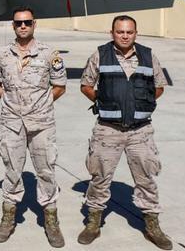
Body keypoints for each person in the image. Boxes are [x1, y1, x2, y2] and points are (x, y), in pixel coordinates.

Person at [76, 15, 172, 250]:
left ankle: (152, 226)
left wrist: (140, 103)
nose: (125, 36)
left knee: (146, 179)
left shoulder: (149, 56)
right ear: (112, 33)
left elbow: (158, 87)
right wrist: (103, 101)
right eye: (120, 32)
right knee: (99, 178)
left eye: (129, 32)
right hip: (107, 130)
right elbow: (86, 85)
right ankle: (93, 223)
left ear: (136, 33)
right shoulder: (100, 54)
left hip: (140, 131)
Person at [0, 6, 67, 247]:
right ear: (13, 26)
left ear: (35, 24)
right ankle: (8, 217)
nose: (23, 26)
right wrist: (14, 104)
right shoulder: (1, 54)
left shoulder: (49, 53)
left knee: (46, 169)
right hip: (11, 123)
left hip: (42, 123)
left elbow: (59, 86)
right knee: (12, 169)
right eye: (19, 23)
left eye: (27, 22)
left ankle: (51, 220)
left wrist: (38, 105)